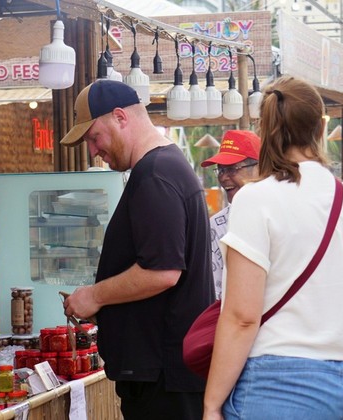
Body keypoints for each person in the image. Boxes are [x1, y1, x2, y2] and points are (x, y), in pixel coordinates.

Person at [203, 76, 343, 420]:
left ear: (265, 128)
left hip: (276, 386)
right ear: (319, 126)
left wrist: (212, 404)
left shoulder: (255, 199)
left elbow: (242, 317)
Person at [60, 80, 213, 420]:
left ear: (119, 117)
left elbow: (162, 272)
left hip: (163, 377)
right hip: (165, 373)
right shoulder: (163, 168)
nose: (93, 151)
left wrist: (96, 296)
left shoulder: (154, 174)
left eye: (93, 137)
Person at [200, 130, 260, 300]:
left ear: (260, 168)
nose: (224, 178)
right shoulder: (217, 226)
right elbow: (217, 293)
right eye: (220, 170)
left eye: (232, 169)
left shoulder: (282, 214)